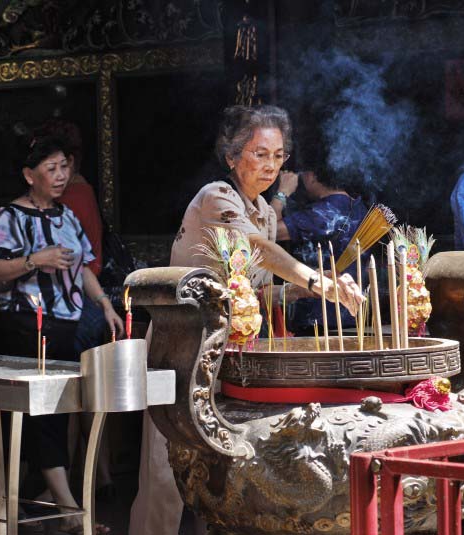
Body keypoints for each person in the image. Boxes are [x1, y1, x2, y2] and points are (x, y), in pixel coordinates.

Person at [129, 104, 363, 535]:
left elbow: (252, 292)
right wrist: (316, 282)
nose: (270, 166)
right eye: (259, 154)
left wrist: (306, 286)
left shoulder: (266, 213)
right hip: (182, 345)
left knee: (218, 467)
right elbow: (253, 248)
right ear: (232, 156)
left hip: (229, 351)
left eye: (278, 156)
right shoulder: (216, 196)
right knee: (165, 469)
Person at [0, 135, 122, 534]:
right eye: (52, 169)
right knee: (41, 415)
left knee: (56, 414)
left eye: (65, 167)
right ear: (30, 175)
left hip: (64, 326)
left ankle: (43, 507)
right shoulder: (12, 216)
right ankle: (71, 513)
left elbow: (83, 270)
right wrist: (33, 260)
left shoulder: (66, 216)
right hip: (25, 326)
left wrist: (106, 305)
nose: (61, 176)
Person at [36, 119, 116, 502]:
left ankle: (62, 490)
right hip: (89, 302)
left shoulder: (69, 199)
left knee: (65, 394)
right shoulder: (82, 191)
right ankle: (96, 473)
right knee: (84, 391)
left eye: (55, 165)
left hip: (77, 303)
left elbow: (78, 262)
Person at [272, 164, 369, 335]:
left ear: (313, 176)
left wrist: (282, 192)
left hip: (319, 318)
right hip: (354, 312)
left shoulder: (324, 212)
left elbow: (268, 232)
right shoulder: (359, 207)